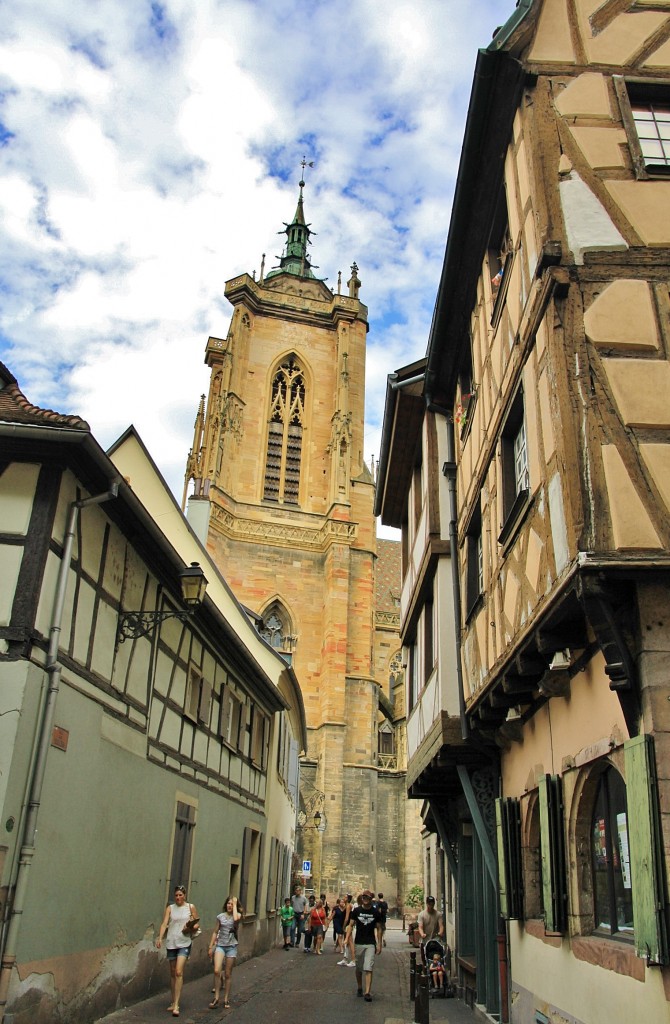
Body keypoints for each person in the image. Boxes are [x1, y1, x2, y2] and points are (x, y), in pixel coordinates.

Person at [155, 884, 198, 1018]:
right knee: (173, 973)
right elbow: (164, 923)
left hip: (184, 942)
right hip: (171, 942)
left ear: (184, 895)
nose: (178, 897)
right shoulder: (170, 908)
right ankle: (173, 1001)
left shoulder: (190, 907)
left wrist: (190, 927)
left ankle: (177, 1005)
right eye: (176, 895)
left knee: (179, 971)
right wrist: (160, 937)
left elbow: (197, 923)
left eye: (181, 895)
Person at [345, 889, 382, 1002]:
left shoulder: (375, 912)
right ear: (362, 898)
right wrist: (347, 938)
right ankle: (360, 987)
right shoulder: (356, 911)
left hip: (370, 943)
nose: (366, 899)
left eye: (368, 897)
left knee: (368, 967)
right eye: (364, 897)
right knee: (359, 968)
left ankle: (367, 992)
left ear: (371, 899)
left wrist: (379, 944)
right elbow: (351, 925)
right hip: (359, 942)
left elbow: (379, 928)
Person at [207, 895, 242, 1009]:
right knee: (217, 970)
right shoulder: (220, 917)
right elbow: (215, 931)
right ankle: (216, 997)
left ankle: (226, 998)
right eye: (228, 903)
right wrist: (211, 946)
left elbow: (236, 919)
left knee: (227, 974)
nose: (229, 905)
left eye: (232, 904)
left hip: (231, 946)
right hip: (220, 945)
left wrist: (236, 904)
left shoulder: (237, 916)